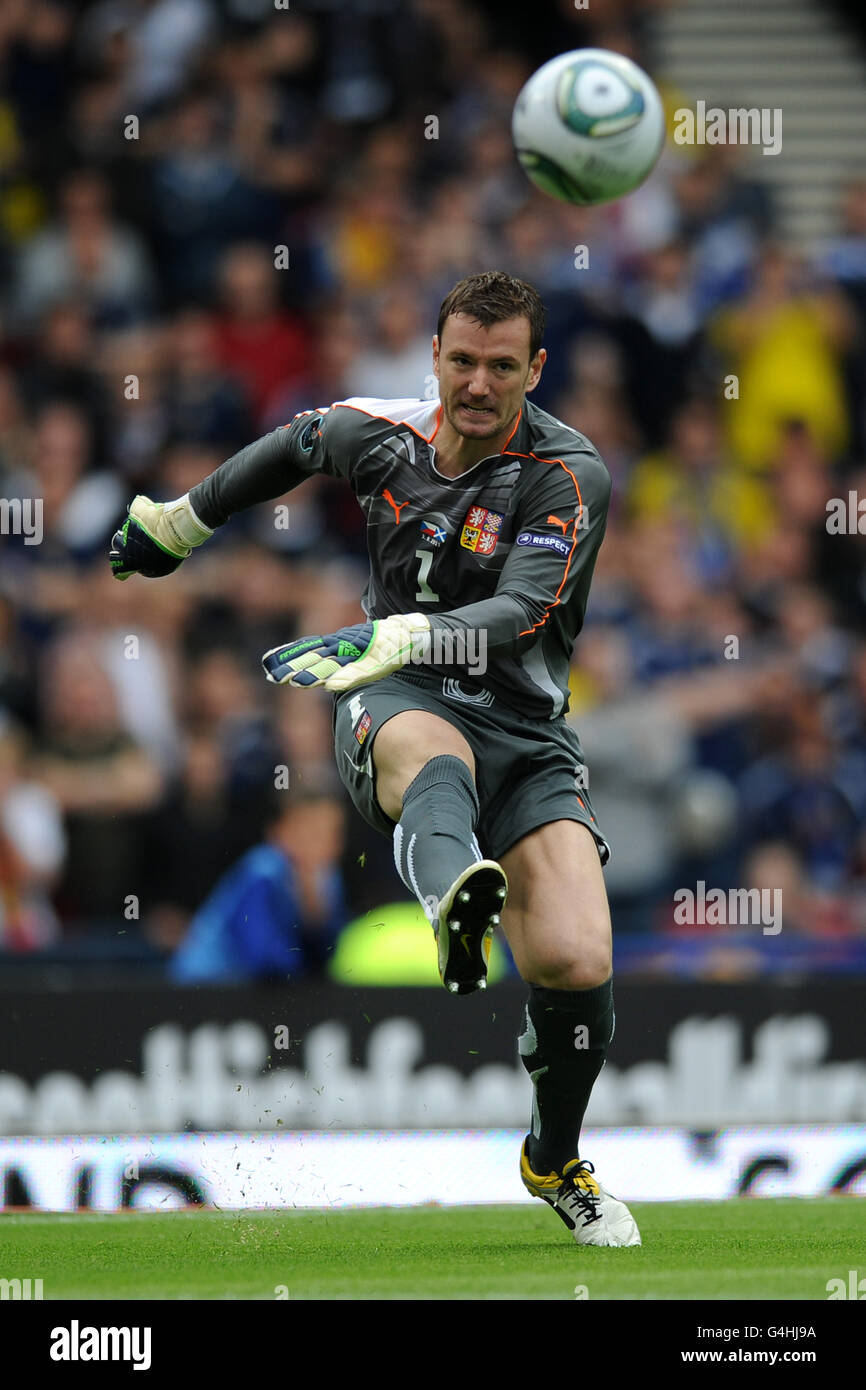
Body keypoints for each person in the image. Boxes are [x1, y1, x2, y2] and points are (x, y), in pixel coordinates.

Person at [109, 270, 640, 1247]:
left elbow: (520, 611)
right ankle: (450, 896)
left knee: (575, 956)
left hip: (522, 734)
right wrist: (181, 521)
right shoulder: (381, 431)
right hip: (395, 704)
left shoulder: (566, 474)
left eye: (501, 366)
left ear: (536, 368)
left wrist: (403, 636)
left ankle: (552, 1155)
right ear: (435, 355)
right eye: (462, 362)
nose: (477, 384)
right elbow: (294, 445)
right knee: (431, 760)